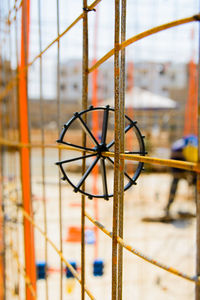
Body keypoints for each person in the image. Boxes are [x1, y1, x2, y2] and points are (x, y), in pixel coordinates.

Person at [165, 135, 197, 216]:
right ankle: (197, 205)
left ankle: (168, 206)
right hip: (182, 171)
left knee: (174, 188)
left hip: (177, 171)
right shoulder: (188, 147)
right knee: (195, 187)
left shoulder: (177, 145)